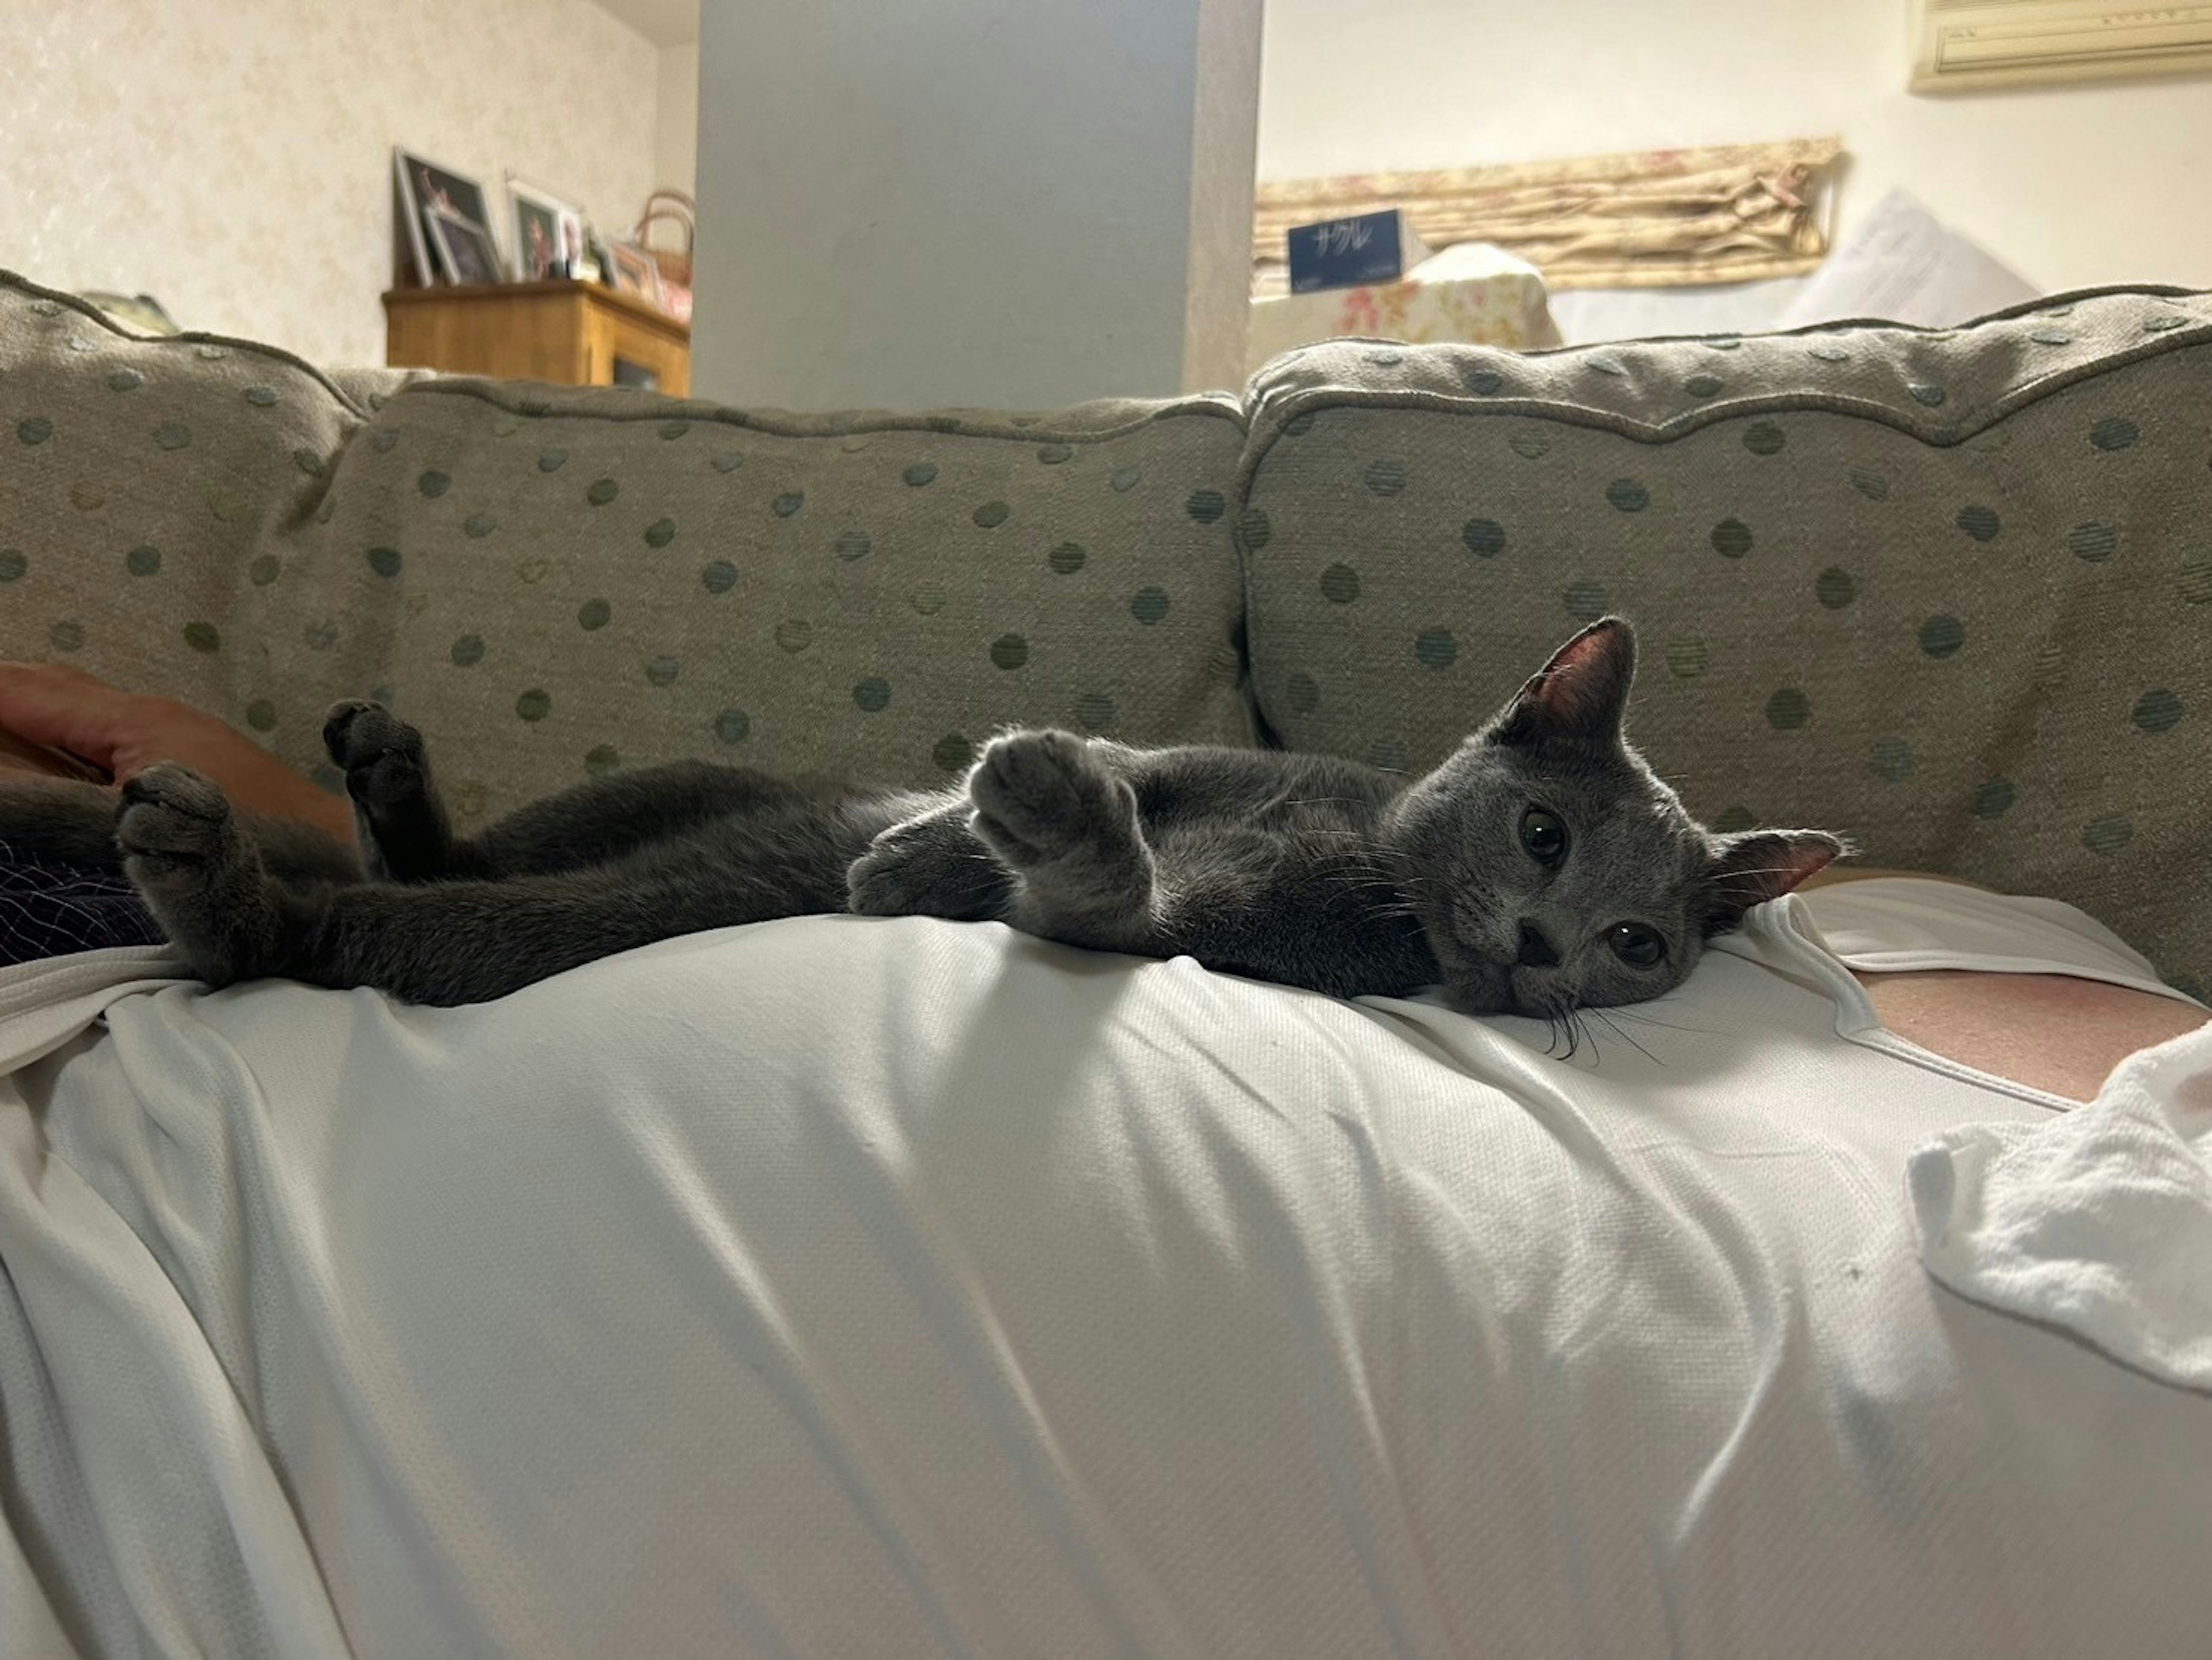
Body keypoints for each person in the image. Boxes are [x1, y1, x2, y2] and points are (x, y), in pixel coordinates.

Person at [0, 662, 2197, 1097]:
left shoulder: (1391, 934)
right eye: (1550, 859)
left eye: (1624, 938)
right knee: (686, 787)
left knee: (637, 923)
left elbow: (1181, 945)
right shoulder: (1376, 793)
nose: (1545, 939)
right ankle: (435, 852)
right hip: (904, 822)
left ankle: (302, 929)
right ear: (1522, 736)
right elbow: (1176, 790)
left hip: (937, 893)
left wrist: (1083, 883)